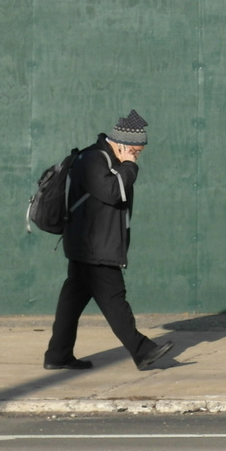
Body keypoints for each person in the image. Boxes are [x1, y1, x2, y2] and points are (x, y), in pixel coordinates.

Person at [43, 110, 175, 371]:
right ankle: (143, 351)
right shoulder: (93, 159)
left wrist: (126, 164)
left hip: (90, 245)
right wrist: (129, 165)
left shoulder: (103, 159)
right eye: (135, 151)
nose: (137, 156)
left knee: (71, 302)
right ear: (122, 144)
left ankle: (57, 355)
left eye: (139, 152)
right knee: (115, 299)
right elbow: (113, 192)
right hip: (95, 246)